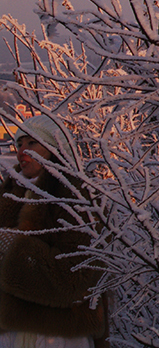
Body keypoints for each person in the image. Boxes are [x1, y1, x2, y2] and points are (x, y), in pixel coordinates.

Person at [0, 113, 106, 347]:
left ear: (54, 147)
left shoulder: (77, 196)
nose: (21, 151)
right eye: (19, 143)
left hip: (59, 335)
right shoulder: (9, 196)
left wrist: (14, 247)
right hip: (10, 334)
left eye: (32, 142)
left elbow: (76, 279)